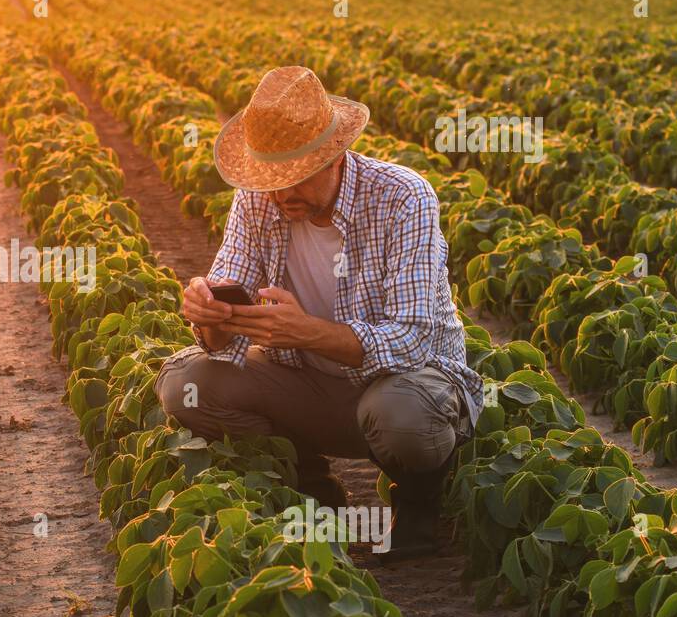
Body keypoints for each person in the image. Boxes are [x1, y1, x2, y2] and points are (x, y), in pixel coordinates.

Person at [155, 65, 481, 562]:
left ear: (335, 156)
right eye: (271, 179)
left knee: (402, 419)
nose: (282, 194)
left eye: (296, 177)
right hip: (308, 386)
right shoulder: (257, 203)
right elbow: (226, 317)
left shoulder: (402, 197)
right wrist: (209, 314)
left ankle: (417, 504)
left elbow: (414, 339)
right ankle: (313, 486)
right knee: (187, 385)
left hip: (402, 386)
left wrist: (308, 333)